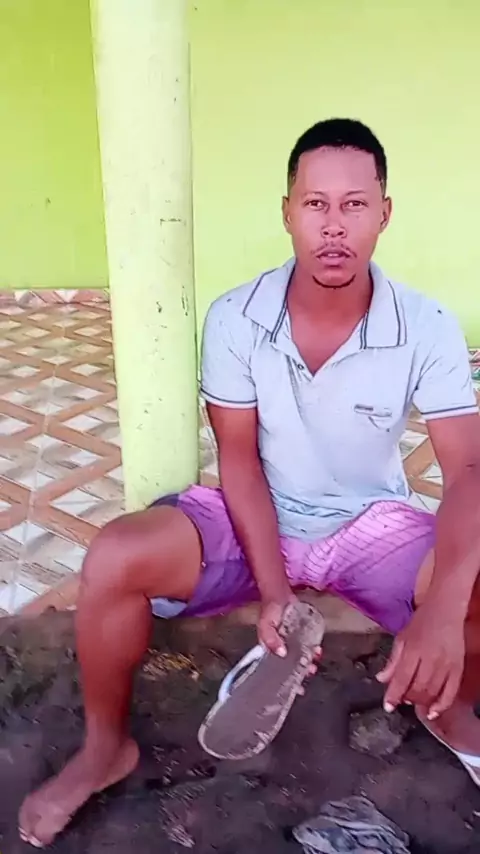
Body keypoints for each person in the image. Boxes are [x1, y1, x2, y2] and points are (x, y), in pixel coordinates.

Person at [19, 118, 480, 847]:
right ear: (288, 212)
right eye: (315, 204)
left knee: (472, 585)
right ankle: (106, 747)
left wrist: (443, 614)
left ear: (384, 213)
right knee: (116, 555)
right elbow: (237, 458)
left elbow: (469, 471)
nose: (334, 226)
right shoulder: (237, 317)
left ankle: (448, 709)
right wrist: (273, 593)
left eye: (355, 205)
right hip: (255, 514)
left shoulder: (426, 325)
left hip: (370, 522)